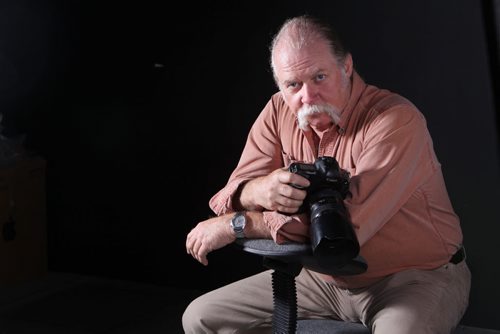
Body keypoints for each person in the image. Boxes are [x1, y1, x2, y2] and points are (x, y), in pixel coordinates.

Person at [183, 14, 471, 334]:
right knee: (201, 317)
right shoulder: (279, 109)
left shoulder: (396, 121)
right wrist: (260, 190)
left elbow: (342, 229)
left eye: (319, 77)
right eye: (293, 84)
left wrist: (239, 224)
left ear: (346, 67)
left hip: (411, 277)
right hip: (322, 280)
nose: (307, 97)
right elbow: (233, 190)